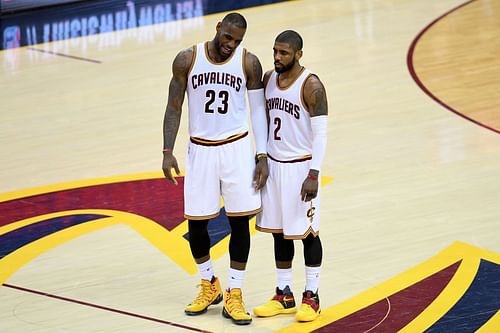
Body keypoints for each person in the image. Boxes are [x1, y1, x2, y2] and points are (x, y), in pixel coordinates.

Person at [161, 13, 268, 325]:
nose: (231, 45)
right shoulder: (186, 59)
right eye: (228, 38)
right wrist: (167, 151)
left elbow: (258, 111)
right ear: (218, 28)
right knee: (196, 225)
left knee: (239, 223)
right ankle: (210, 284)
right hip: (200, 150)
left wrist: (261, 154)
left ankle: (235, 291)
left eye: (237, 41)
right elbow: (173, 106)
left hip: (236, 149)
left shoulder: (248, 63)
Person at [253, 30, 328, 322]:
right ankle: (284, 294)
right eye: (275, 51)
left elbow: (321, 134)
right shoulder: (269, 78)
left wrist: (314, 172)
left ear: (299, 54)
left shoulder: (312, 86)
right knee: (279, 232)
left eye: (284, 53)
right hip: (274, 164)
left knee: (308, 233)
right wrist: (260, 157)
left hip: (300, 167)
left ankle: (313, 296)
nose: (277, 57)